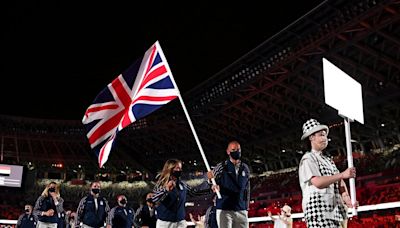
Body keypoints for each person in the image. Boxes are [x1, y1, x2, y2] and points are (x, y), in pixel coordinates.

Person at [298, 119, 357, 227]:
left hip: (334, 210)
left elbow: (340, 181)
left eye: (325, 135)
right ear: (311, 137)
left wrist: (346, 197)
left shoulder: (328, 160)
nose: (325, 138)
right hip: (318, 211)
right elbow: (317, 182)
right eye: (321, 135)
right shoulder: (308, 158)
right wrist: (342, 174)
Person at [151, 159, 211, 228]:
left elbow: (194, 192)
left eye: (181, 168)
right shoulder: (161, 183)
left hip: (180, 222)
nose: (180, 170)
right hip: (165, 223)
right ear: (170, 168)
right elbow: (154, 199)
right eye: (178, 168)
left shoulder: (182, 184)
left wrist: (209, 185)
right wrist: (166, 190)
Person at [210, 140, 250, 228]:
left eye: (239, 149)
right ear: (228, 152)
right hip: (225, 209)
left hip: (241, 209)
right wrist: (211, 182)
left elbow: (247, 189)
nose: (237, 152)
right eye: (234, 150)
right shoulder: (221, 166)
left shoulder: (245, 168)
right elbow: (211, 181)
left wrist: (246, 207)